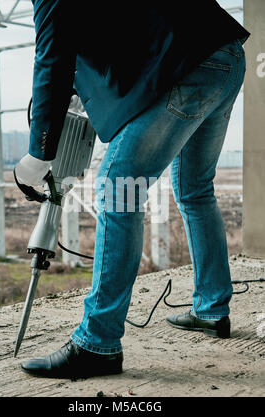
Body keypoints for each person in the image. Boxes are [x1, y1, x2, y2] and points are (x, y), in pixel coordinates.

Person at [15, 1, 250, 379]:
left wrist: (39, 152)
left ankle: (97, 342)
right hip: (222, 55)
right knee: (194, 189)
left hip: (187, 65)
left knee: (116, 189)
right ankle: (211, 308)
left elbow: (51, 58)